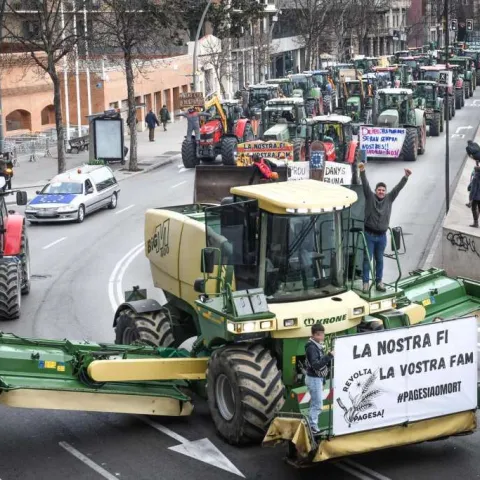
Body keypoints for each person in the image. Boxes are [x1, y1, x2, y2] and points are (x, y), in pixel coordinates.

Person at [359, 162, 411, 292]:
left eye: (383, 190)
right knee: (367, 259)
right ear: (375, 191)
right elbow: (365, 184)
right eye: (379, 190)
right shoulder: (370, 197)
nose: (381, 192)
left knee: (380, 260)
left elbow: (398, 188)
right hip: (369, 235)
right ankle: (365, 282)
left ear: (385, 192)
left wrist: (405, 177)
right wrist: (362, 171)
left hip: (382, 236)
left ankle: (379, 282)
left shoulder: (389, 198)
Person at [304, 323, 334, 434]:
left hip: (315, 378)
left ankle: (311, 425)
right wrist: (329, 356)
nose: (323, 337)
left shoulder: (315, 345)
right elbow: (316, 365)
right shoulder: (312, 348)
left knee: (315, 403)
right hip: (314, 379)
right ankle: (312, 427)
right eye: (321, 335)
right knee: (317, 405)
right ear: (315, 335)